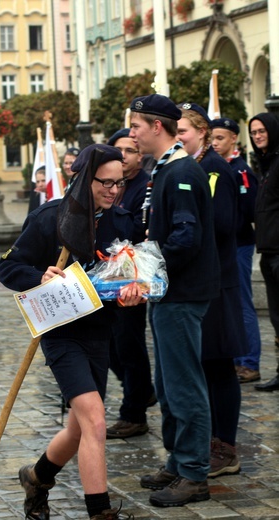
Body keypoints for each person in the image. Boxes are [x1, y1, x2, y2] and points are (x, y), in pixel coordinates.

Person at [0, 144, 136, 520]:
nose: (113, 190)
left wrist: (134, 290)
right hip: (60, 333)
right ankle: (100, 512)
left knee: (79, 430)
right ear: (83, 179)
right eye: (105, 183)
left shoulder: (121, 221)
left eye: (119, 183)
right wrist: (39, 276)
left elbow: (131, 274)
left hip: (100, 333)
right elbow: (8, 267)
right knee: (95, 420)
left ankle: (37, 477)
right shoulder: (49, 217)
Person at [128, 94, 220, 508]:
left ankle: (194, 473)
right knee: (167, 382)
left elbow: (186, 237)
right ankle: (178, 461)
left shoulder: (181, 172)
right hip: (168, 291)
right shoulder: (166, 169)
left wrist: (146, 265)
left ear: (157, 127)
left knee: (184, 385)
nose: (132, 134)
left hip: (182, 292)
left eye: (136, 126)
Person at [177, 103, 248, 478]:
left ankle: (226, 446)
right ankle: (209, 440)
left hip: (217, 281)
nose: (179, 137)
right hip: (202, 281)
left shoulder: (214, 168)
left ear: (202, 132)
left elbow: (223, 224)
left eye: (184, 131)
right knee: (204, 365)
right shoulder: (191, 167)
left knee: (220, 366)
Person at [105, 128, 156, 439]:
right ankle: (142, 389)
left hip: (131, 276)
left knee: (129, 343)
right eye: (117, 150)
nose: (122, 156)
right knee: (110, 344)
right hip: (105, 275)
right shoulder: (109, 183)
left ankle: (134, 413)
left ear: (140, 156)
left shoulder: (143, 186)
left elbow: (140, 229)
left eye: (129, 150)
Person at [211, 117, 261, 383]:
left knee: (243, 303)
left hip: (240, 244)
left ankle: (249, 362)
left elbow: (248, 210)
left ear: (233, 139)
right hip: (227, 247)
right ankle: (237, 358)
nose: (215, 143)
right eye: (213, 138)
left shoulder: (240, 170)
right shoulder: (218, 167)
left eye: (220, 138)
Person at [249, 112, 279, 392]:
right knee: (276, 316)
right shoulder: (265, 164)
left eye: (262, 131)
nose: (258, 136)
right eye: (254, 132)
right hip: (268, 250)